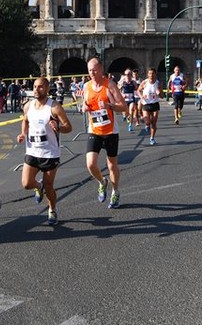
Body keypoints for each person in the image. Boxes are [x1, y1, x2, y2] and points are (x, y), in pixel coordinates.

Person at [17, 77, 72, 226]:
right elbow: (25, 120)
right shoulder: (28, 106)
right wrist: (23, 133)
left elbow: (69, 127)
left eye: (40, 87)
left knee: (49, 186)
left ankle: (52, 209)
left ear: (47, 89)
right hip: (32, 151)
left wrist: (59, 127)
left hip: (50, 153)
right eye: (34, 87)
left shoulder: (54, 107)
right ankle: (37, 186)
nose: (36, 89)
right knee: (26, 183)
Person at [82, 57, 127, 209]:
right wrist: (84, 108)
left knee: (112, 165)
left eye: (94, 70)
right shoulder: (86, 86)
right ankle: (102, 182)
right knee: (90, 164)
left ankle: (115, 191)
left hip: (110, 131)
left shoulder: (110, 85)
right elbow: (84, 103)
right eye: (89, 70)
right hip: (94, 129)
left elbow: (124, 107)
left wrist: (109, 105)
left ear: (101, 69)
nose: (92, 73)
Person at [137, 67, 163, 145]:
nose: (151, 75)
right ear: (148, 74)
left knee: (154, 123)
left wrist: (159, 92)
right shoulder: (144, 82)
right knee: (148, 121)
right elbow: (138, 90)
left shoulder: (158, 83)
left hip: (155, 104)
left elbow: (162, 96)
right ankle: (147, 124)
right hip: (146, 103)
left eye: (153, 73)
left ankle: (152, 138)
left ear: (155, 74)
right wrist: (141, 97)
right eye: (150, 73)